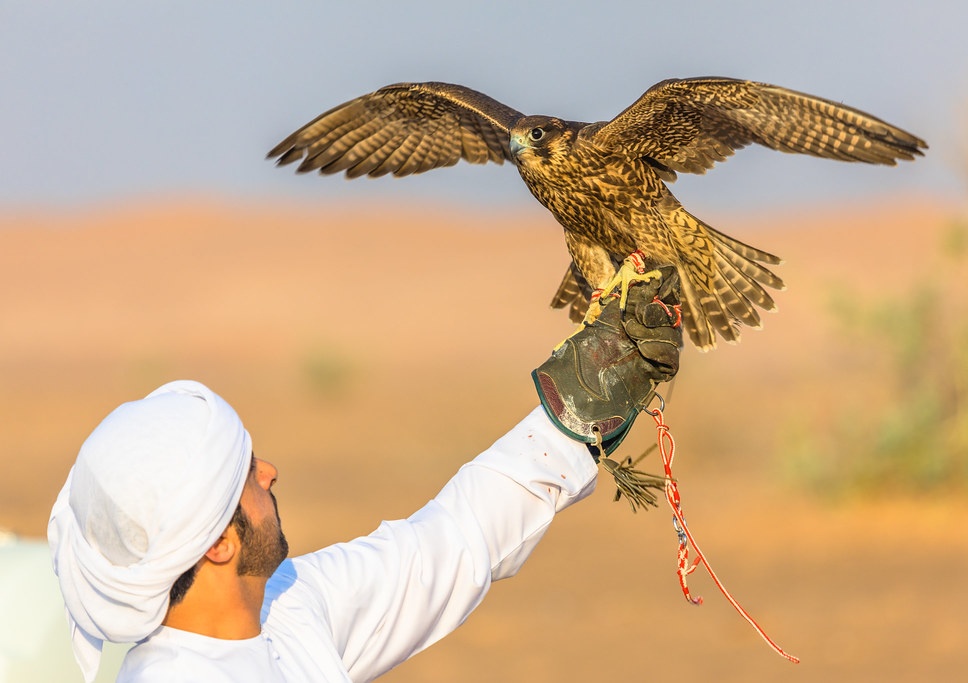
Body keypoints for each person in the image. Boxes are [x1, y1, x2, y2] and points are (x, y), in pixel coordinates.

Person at [48, 270, 683, 682]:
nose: (270, 472)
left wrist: (573, 418)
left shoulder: (287, 611)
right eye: (245, 475)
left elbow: (449, 544)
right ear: (217, 543)